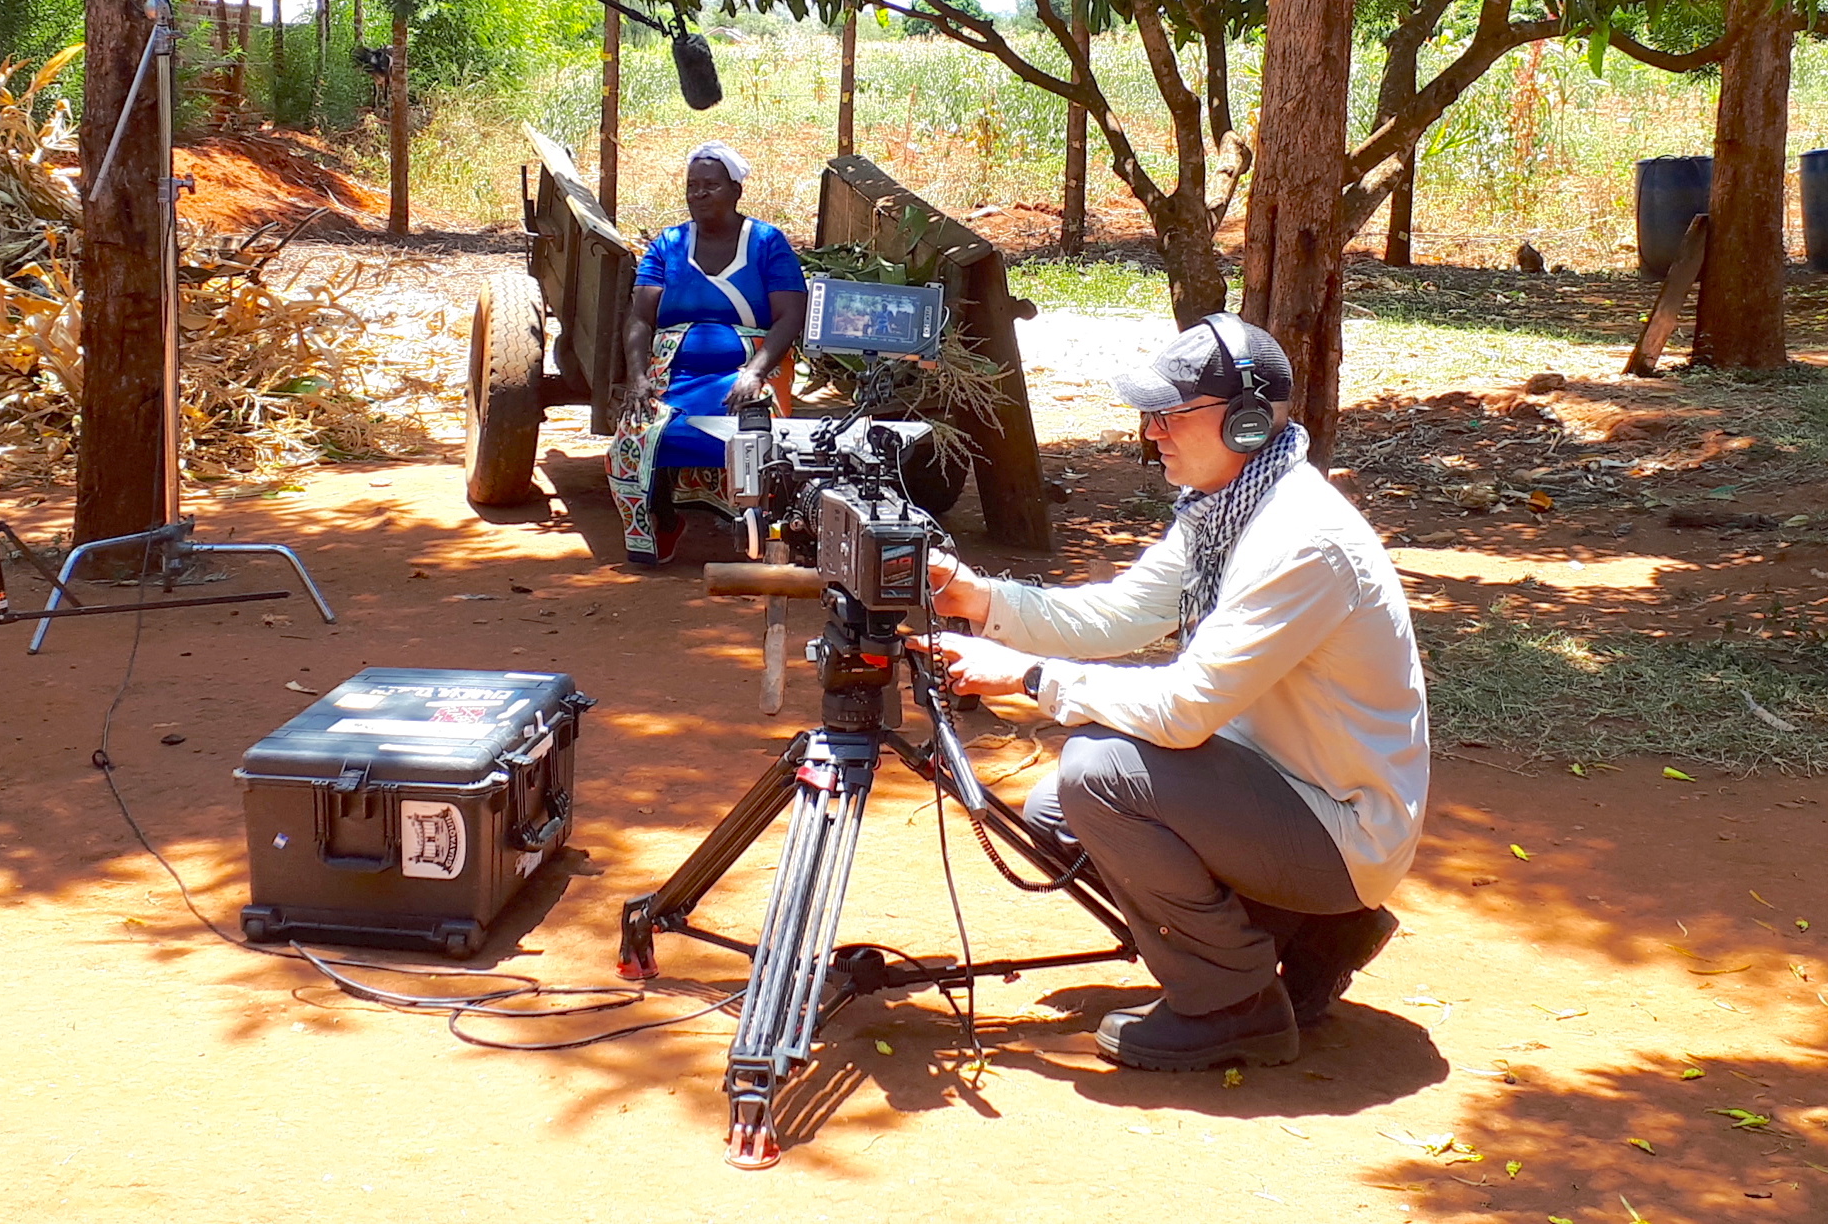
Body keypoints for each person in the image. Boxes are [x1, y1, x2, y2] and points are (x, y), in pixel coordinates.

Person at [922, 315, 1426, 1072]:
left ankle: (1234, 1004)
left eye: (1169, 415)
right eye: (1149, 414)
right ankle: (1314, 935)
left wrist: (1023, 676)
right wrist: (977, 598)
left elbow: (1183, 712)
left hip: (1342, 829)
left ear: (1249, 421)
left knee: (1102, 775)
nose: (1151, 431)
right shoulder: (1228, 508)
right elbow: (1120, 615)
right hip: (1283, 793)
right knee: (1057, 814)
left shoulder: (1300, 541)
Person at [608, 143, 808, 568]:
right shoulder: (669, 243)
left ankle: (760, 529)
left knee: (755, 434)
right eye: (692, 187)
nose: (698, 195)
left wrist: (755, 373)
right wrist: (639, 376)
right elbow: (641, 317)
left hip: (744, 369)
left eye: (710, 186)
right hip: (673, 372)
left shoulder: (767, 242)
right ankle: (662, 519)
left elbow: (790, 316)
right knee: (640, 433)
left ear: (736, 191)